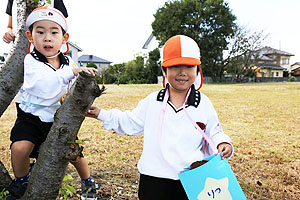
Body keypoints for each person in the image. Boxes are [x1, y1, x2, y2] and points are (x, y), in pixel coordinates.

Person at [86, 35, 233, 200]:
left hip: (192, 178)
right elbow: (129, 122)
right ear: (164, 70)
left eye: (189, 66)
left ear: (198, 70)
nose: (183, 73)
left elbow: (214, 131)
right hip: (153, 178)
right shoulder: (152, 101)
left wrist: (223, 142)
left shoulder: (203, 103)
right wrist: (101, 113)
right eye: (175, 66)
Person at [6, 7, 99, 200]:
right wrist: (71, 74)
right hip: (31, 117)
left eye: (54, 32)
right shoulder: (31, 60)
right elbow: (44, 86)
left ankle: (88, 182)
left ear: (64, 38)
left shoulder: (69, 63)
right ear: (30, 37)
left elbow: (74, 90)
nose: (47, 38)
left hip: (58, 119)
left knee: (74, 153)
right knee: (19, 148)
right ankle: (21, 180)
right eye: (40, 32)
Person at [3, 0, 68, 44]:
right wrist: (9, 33)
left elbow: (62, 28)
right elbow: (9, 26)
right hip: (19, 52)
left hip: (47, 50)